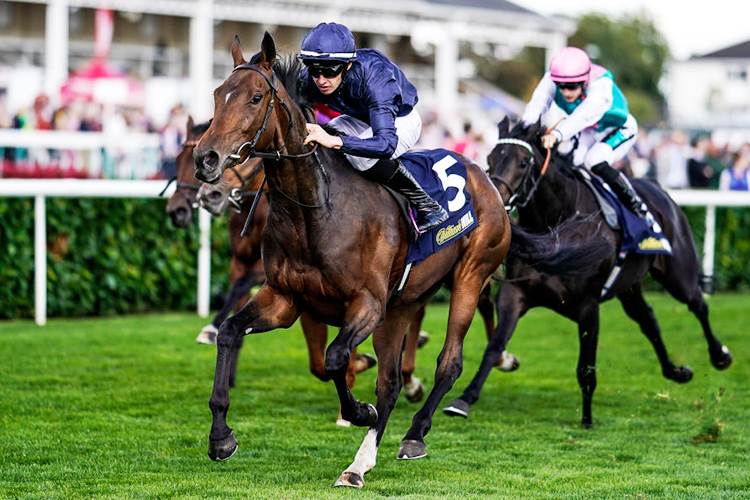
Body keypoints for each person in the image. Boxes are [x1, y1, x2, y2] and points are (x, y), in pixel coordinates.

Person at [298, 22, 448, 232]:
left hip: (399, 120)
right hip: (359, 118)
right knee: (319, 135)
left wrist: (336, 141)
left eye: (329, 71)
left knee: (357, 154)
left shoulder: (375, 76)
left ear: (348, 65)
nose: (321, 80)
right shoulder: (308, 79)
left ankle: (428, 205)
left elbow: (385, 144)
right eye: (314, 69)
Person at [521, 46, 652, 224]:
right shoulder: (551, 77)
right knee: (569, 164)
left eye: (572, 86)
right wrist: (525, 130)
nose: (566, 92)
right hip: (588, 130)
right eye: (561, 86)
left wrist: (557, 134)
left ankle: (637, 206)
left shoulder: (601, 84)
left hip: (619, 128)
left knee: (594, 159)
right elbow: (538, 104)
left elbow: (584, 115)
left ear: (584, 80)